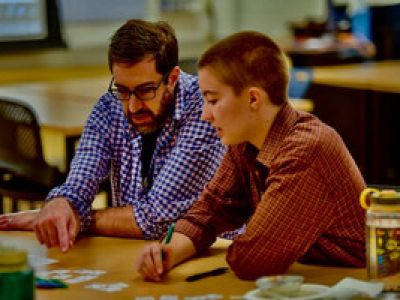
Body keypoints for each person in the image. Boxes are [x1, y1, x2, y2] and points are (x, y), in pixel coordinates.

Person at [135, 31, 366, 281]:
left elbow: (252, 260)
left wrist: (247, 235)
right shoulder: (244, 141)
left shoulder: (305, 150)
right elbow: (209, 211)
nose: (205, 114)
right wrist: (167, 252)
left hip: (364, 282)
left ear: (253, 99)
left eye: (212, 100)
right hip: (315, 277)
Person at [0, 19, 225, 253]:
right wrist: (62, 204)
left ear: (173, 78)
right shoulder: (109, 106)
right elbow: (79, 182)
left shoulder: (205, 110)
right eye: (123, 91)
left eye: (146, 90)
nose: (133, 107)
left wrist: (76, 217)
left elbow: (155, 219)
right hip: (131, 250)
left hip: (211, 254)